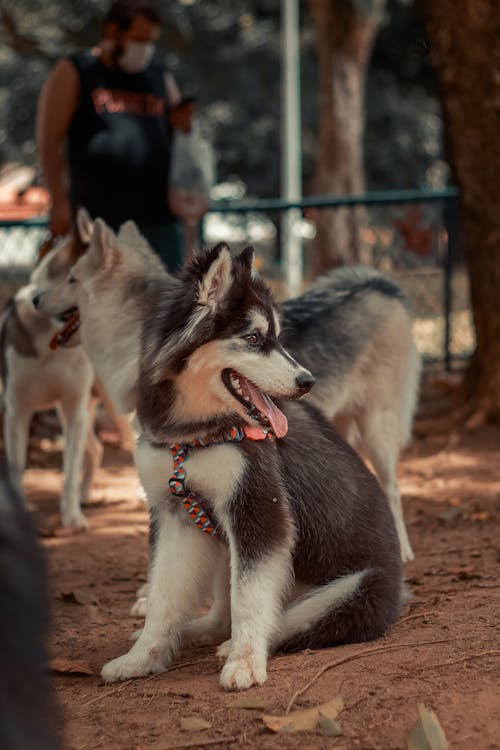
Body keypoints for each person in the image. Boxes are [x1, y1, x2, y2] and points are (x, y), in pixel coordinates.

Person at [36, 0, 194, 271]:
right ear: (113, 31)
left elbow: (183, 135)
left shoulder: (159, 77)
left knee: (164, 307)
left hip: (158, 221)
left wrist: (185, 124)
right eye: (138, 39)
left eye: (150, 41)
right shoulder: (77, 70)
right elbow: (49, 140)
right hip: (99, 222)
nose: (144, 49)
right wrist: (59, 203)